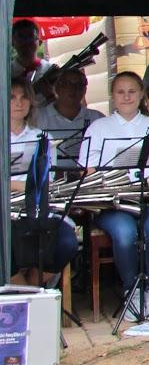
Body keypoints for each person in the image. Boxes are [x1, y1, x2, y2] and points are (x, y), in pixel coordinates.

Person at [79, 72, 149, 321]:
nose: (126, 96)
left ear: (141, 94)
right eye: (120, 92)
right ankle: (131, 289)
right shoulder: (99, 128)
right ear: (113, 96)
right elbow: (87, 170)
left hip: (148, 199)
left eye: (132, 91)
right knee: (124, 234)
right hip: (113, 203)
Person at [9, 79, 79, 282]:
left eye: (24, 97)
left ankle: (30, 293)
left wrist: (12, 185)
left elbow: (45, 182)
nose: (18, 103)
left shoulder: (42, 137)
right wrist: (19, 185)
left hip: (36, 208)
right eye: (12, 97)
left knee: (67, 242)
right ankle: (21, 294)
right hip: (7, 212)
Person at [36, 67, 104, 171]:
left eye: (79, 85)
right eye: (67, 84)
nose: (73, 89)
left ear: (85, 89)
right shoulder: (38, 117)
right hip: (50, 179)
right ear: (57, 88)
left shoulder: (97, 118)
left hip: (89, 179)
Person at [10, 19, 54, 104]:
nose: (26, 42)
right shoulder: (6, 74)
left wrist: (51, 95)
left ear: (40, 42)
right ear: (12, 42)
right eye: (21, 37)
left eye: (31, 37)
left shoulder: (51, 70)